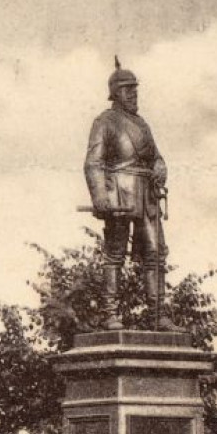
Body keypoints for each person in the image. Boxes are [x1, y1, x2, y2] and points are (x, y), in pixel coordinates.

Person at [84, 59, 176, 330]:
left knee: (155, 252)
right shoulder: (105, 122)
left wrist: (161, 167)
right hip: (119, 194)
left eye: (135, 89)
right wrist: (99, 196)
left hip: (146, 194)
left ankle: (158, 314)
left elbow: (156, 158)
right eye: (127, 89)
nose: (133, 94)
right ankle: (111, 313)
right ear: (115, 93)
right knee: (114, 254)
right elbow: (93, 162)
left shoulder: (143, 125)